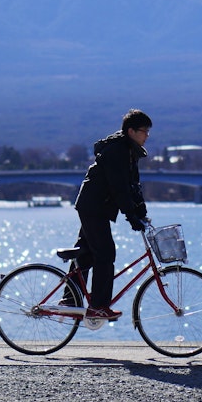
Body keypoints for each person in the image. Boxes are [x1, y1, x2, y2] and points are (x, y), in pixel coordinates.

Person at [70, 108, 152, 320]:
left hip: (96, 206)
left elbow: (133, 186)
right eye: (144, 131)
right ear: (131, 131)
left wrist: (141, 212)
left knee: (85, 254)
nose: (147, 135)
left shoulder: (130, 151)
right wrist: (130, 216)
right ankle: (98, 306)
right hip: (93, 206)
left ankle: (69, 301)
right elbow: (119, 187)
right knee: (105, 253)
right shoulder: (117, 151)